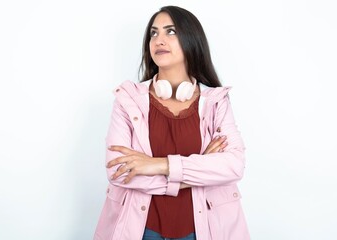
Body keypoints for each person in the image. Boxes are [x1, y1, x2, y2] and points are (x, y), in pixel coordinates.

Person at [93, 5, 250, 240]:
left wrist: (157, 165)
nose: (159, 40)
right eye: (154, 33)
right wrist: (202, 169)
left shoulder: (216, 102)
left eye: (171, 32)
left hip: (202, 230)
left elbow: (233, 165)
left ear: (191, 40)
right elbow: (118, 171)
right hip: (141, 230)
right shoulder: (128, 100)